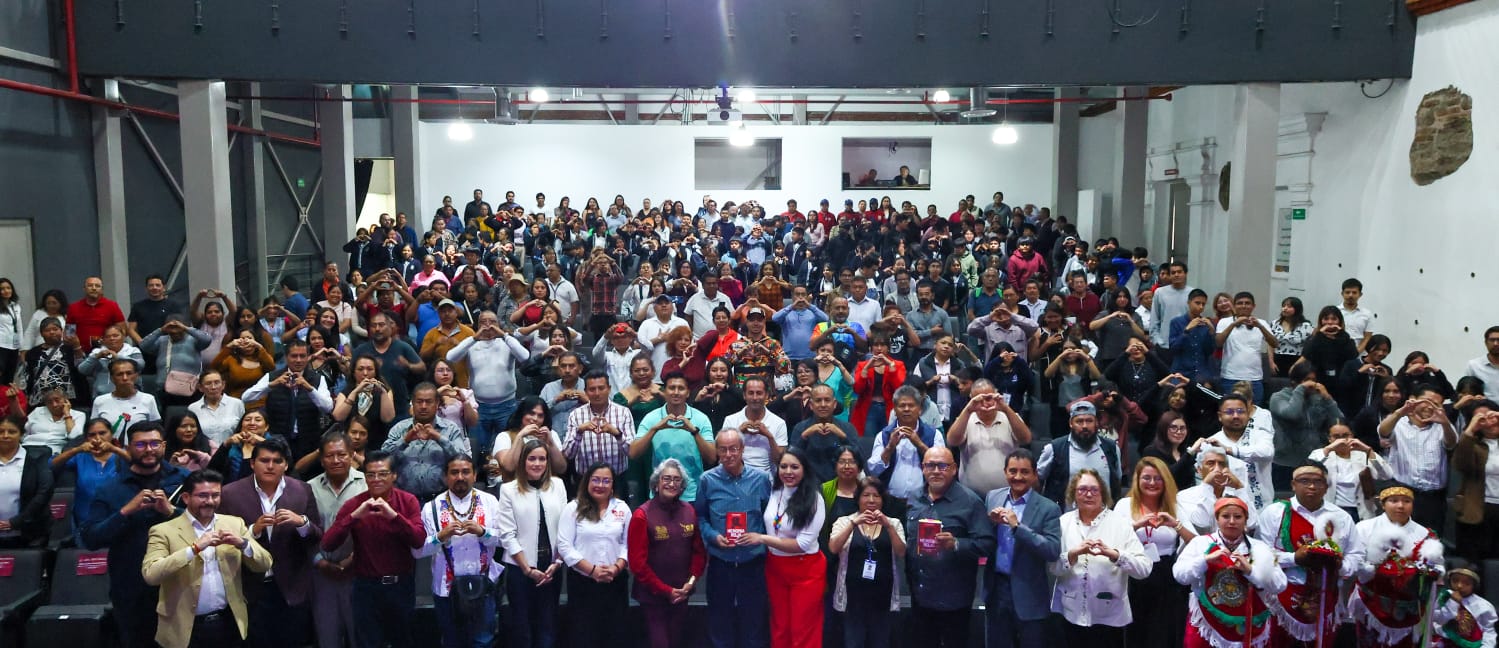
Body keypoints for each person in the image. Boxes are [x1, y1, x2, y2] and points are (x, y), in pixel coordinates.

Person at [78, 420, 191, 648]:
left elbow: (206, 526)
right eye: (140, 445)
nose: (149, 449)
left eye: (154, 443)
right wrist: (125, 511)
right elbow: (90, 538)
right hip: (131, 587)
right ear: (128, 447)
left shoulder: (185, 479)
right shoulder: (110, 488)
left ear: (164, 445)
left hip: (181, 582)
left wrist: (172, 511)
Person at [141, 468, 272, 648]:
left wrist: (243, 544)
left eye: (215, 495)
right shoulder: (163, 531)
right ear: (186, 498)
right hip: (186, 627)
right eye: (203, 496)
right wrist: (193, 549)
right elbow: (151, 575)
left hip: (230, 622)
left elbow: (265, 563)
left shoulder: (234, 523)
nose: (210, 501)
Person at [217, 437, 321, 648]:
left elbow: (316, 535)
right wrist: (252, 531)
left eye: (277, 460)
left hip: (292, 588)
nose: (271, 466)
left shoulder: (302, 489)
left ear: (286, 465)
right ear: (252, 463)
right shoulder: (229, 493)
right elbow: (220, 540)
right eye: (264, 460)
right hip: (249, 586)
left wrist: (301, 522)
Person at [320, 450, 427, 648]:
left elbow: (419, 540)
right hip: (365, 587)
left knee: (403, 641)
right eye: (370, 474)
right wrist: (353, 517)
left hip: (400, 584)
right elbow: (327, 543)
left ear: (394, 475)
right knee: (368, 642)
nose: (376, 479)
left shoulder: (408, 500)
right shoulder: (355, 504)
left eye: (383, 474)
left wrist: (394, 516)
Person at [1254, 459, 1361, 647]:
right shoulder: (1275, 512)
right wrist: (1295, 558)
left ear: (1326, 486)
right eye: (1304, 480)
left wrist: (1339, 565)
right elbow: (1260, 555)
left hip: (1326, 596)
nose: (1311, 486)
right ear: (1293, 484)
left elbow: (1356, 555)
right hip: (1282, 596)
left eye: (1318, 481)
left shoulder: (1341, 517)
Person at [900, 446, 993, 648]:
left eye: (942, 465)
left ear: (954, 469)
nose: (935, 471)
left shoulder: (970, 502)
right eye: (930, 465)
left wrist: (957, 543)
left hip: (954, 598)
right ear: (922, 468)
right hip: (920, 593)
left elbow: (986, 544)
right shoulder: (915, 498)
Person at [1051, 469, 1151, 644]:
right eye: (1082, 489)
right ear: (1073, 494)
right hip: (1071, 613)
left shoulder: (1120, 524)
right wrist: (1073, 554)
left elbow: (1144, 569)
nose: (1088, 494)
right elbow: (1052, 568)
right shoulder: (1063, 522)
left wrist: (1115, 555)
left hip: (1110, 617)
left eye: (1094, 490)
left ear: (1103, 493)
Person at [737, 448, 824, 648]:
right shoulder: (776, 491)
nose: (788, 471)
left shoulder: (814, 499)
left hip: (806, 570)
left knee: (802, 629)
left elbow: (802, 544)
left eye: (795, 467)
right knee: (780, 627)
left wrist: (762, 539)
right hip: (775, 568)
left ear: (805, 470)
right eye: (783, 466)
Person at [1173, 496, 1287, 648]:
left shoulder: (1259, 548)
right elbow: (1180, 575)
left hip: (1248, 623)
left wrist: (1251, 571)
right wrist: (1205, 560)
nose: (1232, 521)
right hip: (1207, 623)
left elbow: (1279, 585)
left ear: (1246, 520)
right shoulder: (1201, 543)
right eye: (1226, 516)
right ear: (1217, 519)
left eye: (1238, 517)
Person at [694, 428, 773, 648]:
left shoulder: (761, 479)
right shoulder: (707, 480)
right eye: (723, 450)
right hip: (721, 562)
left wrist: (761, 537)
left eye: (733, 449)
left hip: (753, 562)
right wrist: (712, 536)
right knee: (720, 622)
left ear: (742, 450)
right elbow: (700, 516)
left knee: (755, 622)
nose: (728, 454)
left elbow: (769, 517)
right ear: (717, 451)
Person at [416, 454, 503, 648]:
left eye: (465, 472)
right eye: (454, 472)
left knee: (483, 641)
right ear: (446, 477)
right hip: (446, 589)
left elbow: (505, 540)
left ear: (474, 475)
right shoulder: (432, 508)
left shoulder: (490, 502)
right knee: (452, 642)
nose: (460, 477)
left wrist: (483, 532)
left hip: (484, 586)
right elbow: (419, 550)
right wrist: (441, 536)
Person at [1348, 485, 1446, 648]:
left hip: (1409, 607)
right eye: (1394, 501)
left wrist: (1428, 571)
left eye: (1406, 501)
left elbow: (1438, 567)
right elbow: (1356, 562)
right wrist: (1376, 568)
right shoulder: (1364, 527)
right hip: (1372, 600)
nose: (1400, 506)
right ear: (1383, 503)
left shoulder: (1425, 533)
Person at [983, 449, 1062, 648]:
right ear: (1005, 472)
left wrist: (1018, 527)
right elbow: (985, 540)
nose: (1018, 477)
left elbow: (1052, 550)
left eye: (1025, 472)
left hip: (1030, 591)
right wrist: (990, 524)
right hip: (996, 588)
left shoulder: (1048, 508)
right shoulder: (992, 497)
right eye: (1013, 471)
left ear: (1035, 474)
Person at [1113, 456, 1191, 647]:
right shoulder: (1124, 505)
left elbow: (1196, 542)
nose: (1152, 483)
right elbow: (1112, 538)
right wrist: (1137, 525)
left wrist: (1176, 525)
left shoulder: (1174, 506)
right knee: (1136, 632)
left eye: (1158, 478)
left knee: (1164, 632)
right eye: (1146, 478)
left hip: (1166, 576)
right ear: (1137, 480)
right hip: (1133, 574)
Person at [627, 458, 705, 648]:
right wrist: (666, 591)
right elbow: (637, 564)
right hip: (653, 596)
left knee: (676, 640)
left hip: (682, 593)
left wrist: (690, 583)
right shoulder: (641, 515)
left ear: (683, 486)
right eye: (666, 478)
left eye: (677, 480)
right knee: (660, 642)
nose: (671, 483)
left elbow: (699, 553)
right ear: (656, 484)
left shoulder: (689, 511)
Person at [496, 440, 566, 648]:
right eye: (532, 458)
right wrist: (527, 569)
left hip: (552, 566)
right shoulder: (508, 490)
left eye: (542, 458)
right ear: (522, 461)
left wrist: (558, 561)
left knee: (548, 624)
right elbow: (507, 534)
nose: (537, 463)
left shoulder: (558, 485)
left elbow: (565, 528)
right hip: (520, 567)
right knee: (522, 627)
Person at [558, 463, 631, 648]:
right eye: (596, 480)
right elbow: (565, 546)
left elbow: (628, 544)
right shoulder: (573, 508)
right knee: (584, 636)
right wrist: (592, 571)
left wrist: (616, 568)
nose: (600, 485)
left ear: (613, 484)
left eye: (606, 481)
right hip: (583, 583)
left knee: (616, 635)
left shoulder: (622, 508)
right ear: (587, 481)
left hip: (615, 582)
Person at [830, 475, 905, 648]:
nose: (871, 500)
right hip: (853, 599)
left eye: (876, 496)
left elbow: (901, 552)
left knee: (881, 642)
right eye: (866, 495)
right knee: (853, 643)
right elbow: (833, 548)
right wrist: (853, 524)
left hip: (882, 599)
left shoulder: (893, 523)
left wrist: (888, 526)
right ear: (858, 499)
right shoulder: (844, 521)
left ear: (882, 499)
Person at [307, 431, 366, 648]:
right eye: (330, 456)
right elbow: (306, 533)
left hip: (358, 571)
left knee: (359, 634)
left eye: (341, 454)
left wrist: (353, 559)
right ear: (322, 459)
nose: (336, 460)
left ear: (352, 455)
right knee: (327, 636)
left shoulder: (366, 485)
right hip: (321, 574)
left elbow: (374, 531)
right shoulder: (309, 488)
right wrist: (319, 561)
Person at [447, 311, 530, 456]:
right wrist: (474, 337)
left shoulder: (507, 343)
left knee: (506, 449)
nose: (488, 325)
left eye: (492, 321)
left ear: (498, 324)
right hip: (479, 407)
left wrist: (503, 335)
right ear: (478, 326)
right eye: (483, 322)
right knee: (477, 450)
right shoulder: (472, 344)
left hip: (507, 406)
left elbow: (524, 356)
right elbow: (450, 357)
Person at [1378, 385, 1457, 531]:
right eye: (1427, 401)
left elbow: (1452, 443)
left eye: (1437, 404)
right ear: (1413, 400)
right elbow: (1383, 431)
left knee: (1431, 542)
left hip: (1434, 496)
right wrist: (1401, 412)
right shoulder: (1398, 423)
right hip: (1403, 491)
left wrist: (1445, 422)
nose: (1430, 407)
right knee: (1399, 539)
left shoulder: (1443, 426)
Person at [242, 339, 335, 462]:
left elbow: (328, 407)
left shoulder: (318, 379)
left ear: (308, 357)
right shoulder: (273, 376)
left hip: (308, 442)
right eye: (294, 356)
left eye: (302, 356)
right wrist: (272, 384)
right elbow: (246, 397)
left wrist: (309, 389)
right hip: (276, 442)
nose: (298, 360)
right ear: (286, 357)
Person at [632, 372, 717, 502]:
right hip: (660, 493)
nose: (676, 392)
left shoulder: (701, 418)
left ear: (688, 393)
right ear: (664, 392)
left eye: (681, 388)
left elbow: (712, 458)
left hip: (692, 494)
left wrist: (694, 432)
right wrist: (655, 429)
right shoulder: (651, 418)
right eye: (672, 388)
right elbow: (633, 453)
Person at [383, 383, 473, 502]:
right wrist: (405, 440)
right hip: (404, 499)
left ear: (437, 404)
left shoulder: (451, 429)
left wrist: (439, 438)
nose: (423, 406)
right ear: (412, 404)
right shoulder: (400, 429)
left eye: (428, 402)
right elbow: (383, 459)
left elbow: (463, 460)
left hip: (441, 499)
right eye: (419, 402)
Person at [52, 418, 130, 545]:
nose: (97, 438)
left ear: (111, 434)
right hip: (85, 523)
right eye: (92, 435)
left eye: (102, 433)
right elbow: (52, 464)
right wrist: (77, 449)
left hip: (118, 522)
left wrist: (114, 449)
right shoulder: (80, 457)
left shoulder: (121, 455)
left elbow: (138, 463)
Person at [1270, 364, 1344, 495]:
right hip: (1285, 461)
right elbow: (1291, 414)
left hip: (1313, 460)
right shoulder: (1279, 397)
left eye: (1314, 380)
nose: (1312, 384)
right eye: (1307, 380)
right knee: (1284, 501)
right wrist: (1300, 390)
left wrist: (1328, 399)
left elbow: (1338, 422)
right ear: (1294, 382)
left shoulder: (1318, 399)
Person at [948, 380, 1031, 496]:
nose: (985, 404)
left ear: (997, 396)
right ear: (971, 399)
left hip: (1008, 495)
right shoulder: (965, 419)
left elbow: (1026, 439)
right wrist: (968, 410)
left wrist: (1005, 408)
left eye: (988, 399)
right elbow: (952, 441)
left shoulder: (1011, 416)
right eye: (979, 400)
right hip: (972, 496)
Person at [866, 386, 946, 505]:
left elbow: (942, 467)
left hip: (925, 501)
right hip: (891, 501)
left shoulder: (934, 434)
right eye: (902, 406)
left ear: (919, 409)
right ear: (895, 409)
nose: (906, 409)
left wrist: (919, 444)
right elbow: (873, 470)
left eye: (911, 405)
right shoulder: (884, 435)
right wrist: (890, 447)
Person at [1203, 392, 1278, 510]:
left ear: (1248, 414)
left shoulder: (1261, 434)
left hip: (1262, 507)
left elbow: (1267, 452)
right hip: (1225, 509)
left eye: (1240, 411)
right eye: (1229, 412)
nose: (1235, 416)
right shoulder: (1211, 443)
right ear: (1219, 416)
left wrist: (1229, 450)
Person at [1038, 400, 1122, 504]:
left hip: (1104, 516)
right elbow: (1037, 480)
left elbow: (1117, 481)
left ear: (1096, 422)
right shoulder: (1054, 449)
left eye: (1089, 421)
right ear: (1071, 423)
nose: (1085, 426)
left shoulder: (1112, 448)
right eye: (1079, 421)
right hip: (1065, 516)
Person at [1309, 421, 1393, 521]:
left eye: (1345, 436)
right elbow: (1308, 470)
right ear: (1329, 439)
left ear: (1352, 436)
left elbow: (1387, 475)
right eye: (1336, 437)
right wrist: (1329, 448)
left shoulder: (1363, 455)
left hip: (1361, 511)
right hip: (1332, 510)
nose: (1341, 440)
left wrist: (1368, 450)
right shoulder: (1321, 454)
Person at [352, 311, 425, 420]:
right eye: (373, 325)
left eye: (381, 325)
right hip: (367, 410)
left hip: (399, 408)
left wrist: (408, 365)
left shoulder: (403, 347)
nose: (377, 329)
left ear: (390, 327)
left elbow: (422, 367)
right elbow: (350, 374)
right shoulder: (361, 350)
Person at [1452, 400, 1499, 563]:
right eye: (1481, 418)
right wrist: (1471, 429)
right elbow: (1461, 464)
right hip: (1478, 508)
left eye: (1492, 415)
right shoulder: (1474, 445)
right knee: (1473, 562)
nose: (1489, 421)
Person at [0, 414, 54, 548]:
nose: (5, 435)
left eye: (12, 432)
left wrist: (17, 521)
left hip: (28, 533)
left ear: (21, 434)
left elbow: (44, 492)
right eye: (1, 432)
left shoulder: (36, 459)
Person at [1178, 448, 1260, 535]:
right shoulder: (1184, 496)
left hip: (1233, 547)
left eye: (1222, 464)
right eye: (1210, 463)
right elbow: (1203, 523)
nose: (1217, 469)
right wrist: (1207, 486)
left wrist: (1239, 487)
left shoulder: (1235, 493)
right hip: (1200, 547)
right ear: (1199, 470)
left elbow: (1251, 524)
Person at [789, 385, 860, 484]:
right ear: (811, 405)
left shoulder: (847, 428)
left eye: (827, 400)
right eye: (818, 400)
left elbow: (859, 459)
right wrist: (804, 436)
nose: (823, 404)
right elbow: (790, 461)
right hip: (809, 485)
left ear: (834, 404)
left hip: (840, 484)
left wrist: (843, 436)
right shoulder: (800, 428)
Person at [721, 376, 787, 475]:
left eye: (759, 393)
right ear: (744, 395)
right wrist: (738, 434)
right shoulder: (731, 420)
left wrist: (769, 436)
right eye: (751, 393)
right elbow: (723, 455)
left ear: (767, 396)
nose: (755, 398)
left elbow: (779, 460)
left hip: (767, 478)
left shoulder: (779, 423)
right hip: (735, 475)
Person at [1430, 566, 1497, 648]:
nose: (1459, 586)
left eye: (1466, 583)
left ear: (1474, 585)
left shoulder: (1484, 606)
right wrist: (1453, 602)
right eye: (1455, 581)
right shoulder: (1443, 597)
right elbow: (1439, 620)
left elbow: (1489, 631)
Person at [91, 358, 162, 433]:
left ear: (136, 376)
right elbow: (93, 430)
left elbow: (155, 430)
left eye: (129, 373)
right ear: (112, 378)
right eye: (119, 374)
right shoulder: (100, 401)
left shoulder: (148, 399)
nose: (125, 378)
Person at [189, 371, 246, 446]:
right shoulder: (193, 408)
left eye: (217, 382)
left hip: (232, 452)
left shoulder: (237, 404)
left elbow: (244, 429)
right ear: (200, 387)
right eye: (208, 383)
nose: (213, 387)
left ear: (223, 385)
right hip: (205, 454)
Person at [67, 276, 126, 349]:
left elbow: (123, 330)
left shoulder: (112, 306)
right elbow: (69, 333)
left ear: (102, 290)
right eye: (90, 285)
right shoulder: (73, 307)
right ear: (84, 289)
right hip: (80, 352)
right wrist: (77, 348)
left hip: (107, 351)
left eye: (97, 286)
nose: (94, 288)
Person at [23, 387, 84, 453]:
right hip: (29, 447)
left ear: (65, 399)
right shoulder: (37, 411)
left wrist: (67, 414)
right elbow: (24, 434)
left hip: (53, 451)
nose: (54, 405)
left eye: (57, 400)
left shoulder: (78, 415)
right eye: (49, 402)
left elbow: (74, 437)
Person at [1463, 326, 1499, 402]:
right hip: (1484, 412)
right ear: (1486, 343)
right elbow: (1466, 393)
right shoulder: (1474, 365)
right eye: (1492, 340)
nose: (1496, 344)